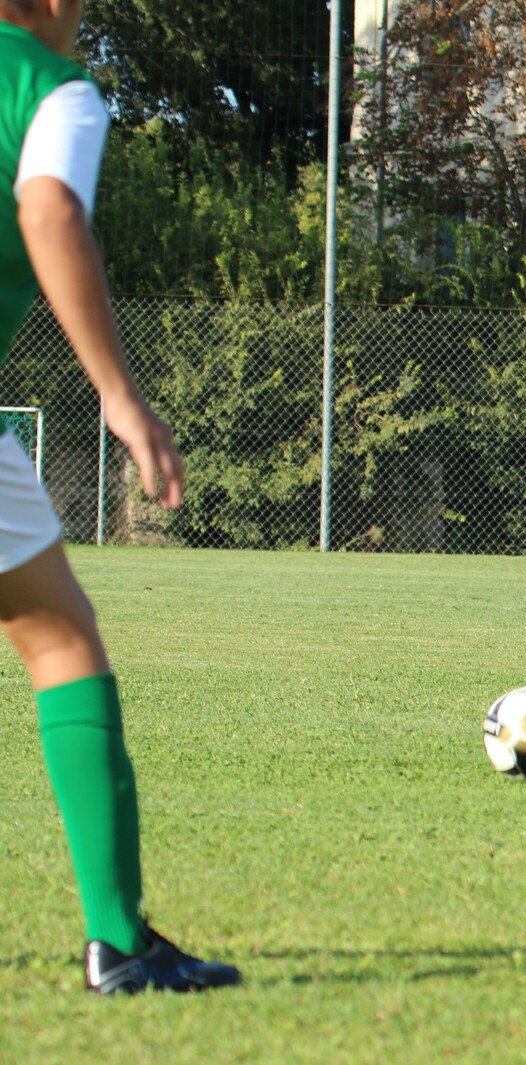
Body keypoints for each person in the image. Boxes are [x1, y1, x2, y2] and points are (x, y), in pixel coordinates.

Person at [0, 0, 239, 994]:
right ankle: (117, 940)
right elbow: (49, 210)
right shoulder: (53, 89)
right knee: (60, 638)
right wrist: (118, 394)